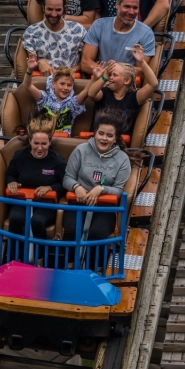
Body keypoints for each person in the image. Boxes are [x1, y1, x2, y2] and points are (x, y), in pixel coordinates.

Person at [62, 112, 132, 263]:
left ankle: (95, 268)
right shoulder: (81, 150)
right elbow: (67, 178)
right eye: (101, 133)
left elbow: (119, 190)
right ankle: (66, 265)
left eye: (109, 135)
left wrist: (101, 189)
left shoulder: (122, 160)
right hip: (78, 203)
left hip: (103, 208)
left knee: (97, 233)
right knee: (73, 230)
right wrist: (76, 187)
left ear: (115, 138)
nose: (104, 138)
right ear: (94, 133)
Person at [5, 118, 66, 257]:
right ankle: (13, 256)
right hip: (23, 200)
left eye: (44, 144)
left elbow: (64, 184)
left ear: (49, 142)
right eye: (36, 143)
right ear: (30, 141)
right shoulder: (20, 156)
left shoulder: (57, 161)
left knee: (37, 221)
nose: (40, 148)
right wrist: (12, 182)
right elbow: (10, 175)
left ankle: (40, 259)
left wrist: (50, 187)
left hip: (46, 203)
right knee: (15, 218)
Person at [88, 46, 159, 136]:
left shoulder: (134, 97)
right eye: (110, 74)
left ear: (127, 80)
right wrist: (104, 76)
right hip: (97, 138)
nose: (110, 77)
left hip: (119, 143)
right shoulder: (105, 92)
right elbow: (91, 94)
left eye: (114, 75)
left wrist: (141, 61)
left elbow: (153, 84)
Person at [81, 0, 156, 72]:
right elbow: (85, 63)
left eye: (135, 8)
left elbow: (142, 71)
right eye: (127, 6)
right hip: (99, 80)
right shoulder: (99, 25)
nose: (131, 12)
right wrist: (110, 74)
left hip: (126, 83)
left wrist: (112, 73)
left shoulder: (146, 33)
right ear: (117, 5)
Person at [22, 0, 87, 74]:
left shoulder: (78, 30)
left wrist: (70, 71)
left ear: (64, 9)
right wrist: (39, 63)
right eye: (50, 9)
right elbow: (32, 62)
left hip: (72, 80)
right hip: (44, 80)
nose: (54, 14)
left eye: (58, 10)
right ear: (43, 8)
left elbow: (85, 61)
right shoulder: (31, 32)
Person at [22, 61, 88, 136]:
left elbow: (87, 91)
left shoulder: (73, 103)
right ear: (53, 84)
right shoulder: (44, 98)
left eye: (69, 85)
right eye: (62, 84)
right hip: (43, 139)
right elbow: (27, 85)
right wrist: (30, 69)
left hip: (63, 141)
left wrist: (95, 78)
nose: (65, 88)